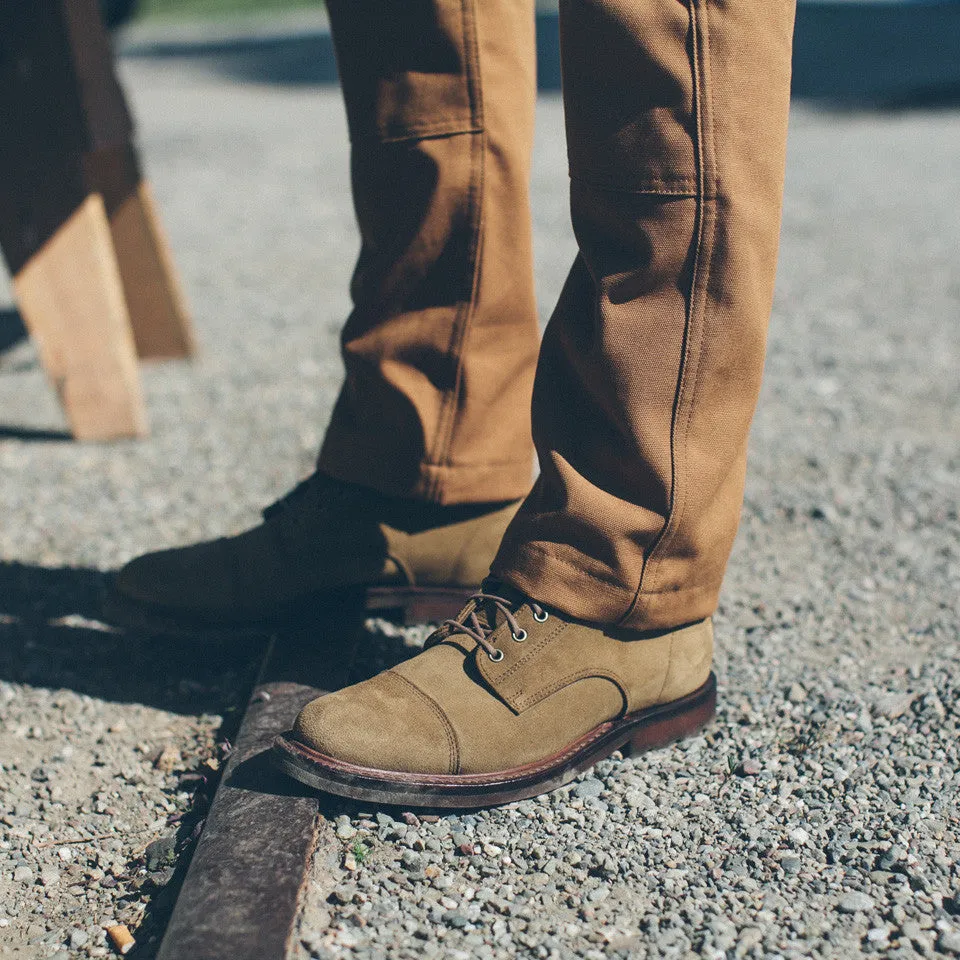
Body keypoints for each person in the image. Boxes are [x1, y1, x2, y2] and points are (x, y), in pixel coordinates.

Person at [107, 0, 796, 807]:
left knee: (655, 28)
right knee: (418, 26)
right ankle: (428, 466)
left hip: (631, 572)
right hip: (414, 459)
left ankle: (626, 575)